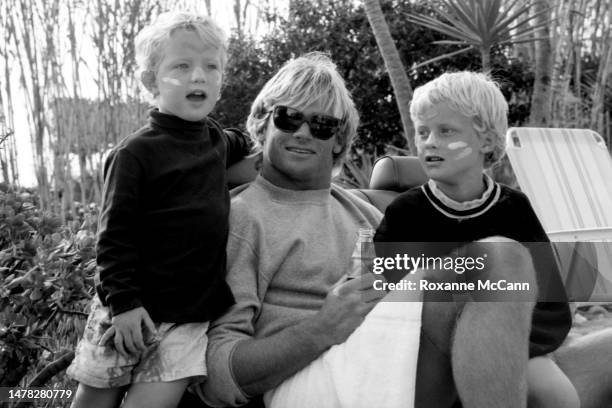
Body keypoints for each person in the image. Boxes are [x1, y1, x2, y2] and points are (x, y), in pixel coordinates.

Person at [193, 53, 542, 408]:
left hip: (391, 354)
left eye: (322, 125)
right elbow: (217, 375)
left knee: (599, 355)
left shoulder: (365, 212)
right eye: (288, 117)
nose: (302, 132)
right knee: (499, 258)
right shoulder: (243, 217)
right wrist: (323, 327)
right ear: (262, 123)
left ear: (339, 141)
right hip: (313, 380)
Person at [67, 11, 253, 408]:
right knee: (95, 400)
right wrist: (124, 304)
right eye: (181, 66)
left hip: (188, 319)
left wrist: (269, 136)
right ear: (151, 82)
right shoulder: (136, 153)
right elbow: (114, 237)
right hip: (131, 310)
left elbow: (243, 142)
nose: (198, 76)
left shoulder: (218, 139)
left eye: (210, 67)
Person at [374, 71, 578, 408]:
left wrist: (508, 347)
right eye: (422, 132)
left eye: (446, 131)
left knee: (559, 396)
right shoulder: (404, 213)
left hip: (514, 342)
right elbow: (386, 298)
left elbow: (551, 302)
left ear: (485, 142)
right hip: (428, 355)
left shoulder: (515, 209)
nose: (429, 142)